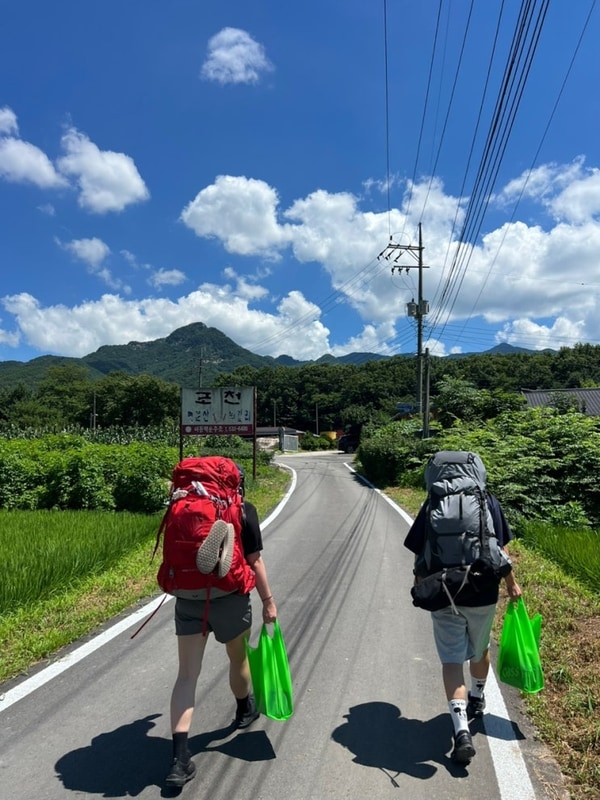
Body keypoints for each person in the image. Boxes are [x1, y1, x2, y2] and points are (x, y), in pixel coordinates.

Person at [403, 452, 521, 765]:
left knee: (451, 660)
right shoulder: (486, 501)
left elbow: (420, 552)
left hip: (443, 590)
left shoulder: (433, 503)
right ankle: (478, 698)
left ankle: (461, 732)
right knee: (480, 649)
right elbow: (500, 550)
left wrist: (420, 585)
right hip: (483, 589)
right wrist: (511, 583)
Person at [166, 470, 277, 788]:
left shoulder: (182, 505)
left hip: (188, 598)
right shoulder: (243, 509)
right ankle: (244, 710)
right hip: (230, 598)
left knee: (186, 675)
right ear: (234, 484)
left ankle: (179, 761)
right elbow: (254, 561)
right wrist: (268, 601)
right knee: (237, 659)